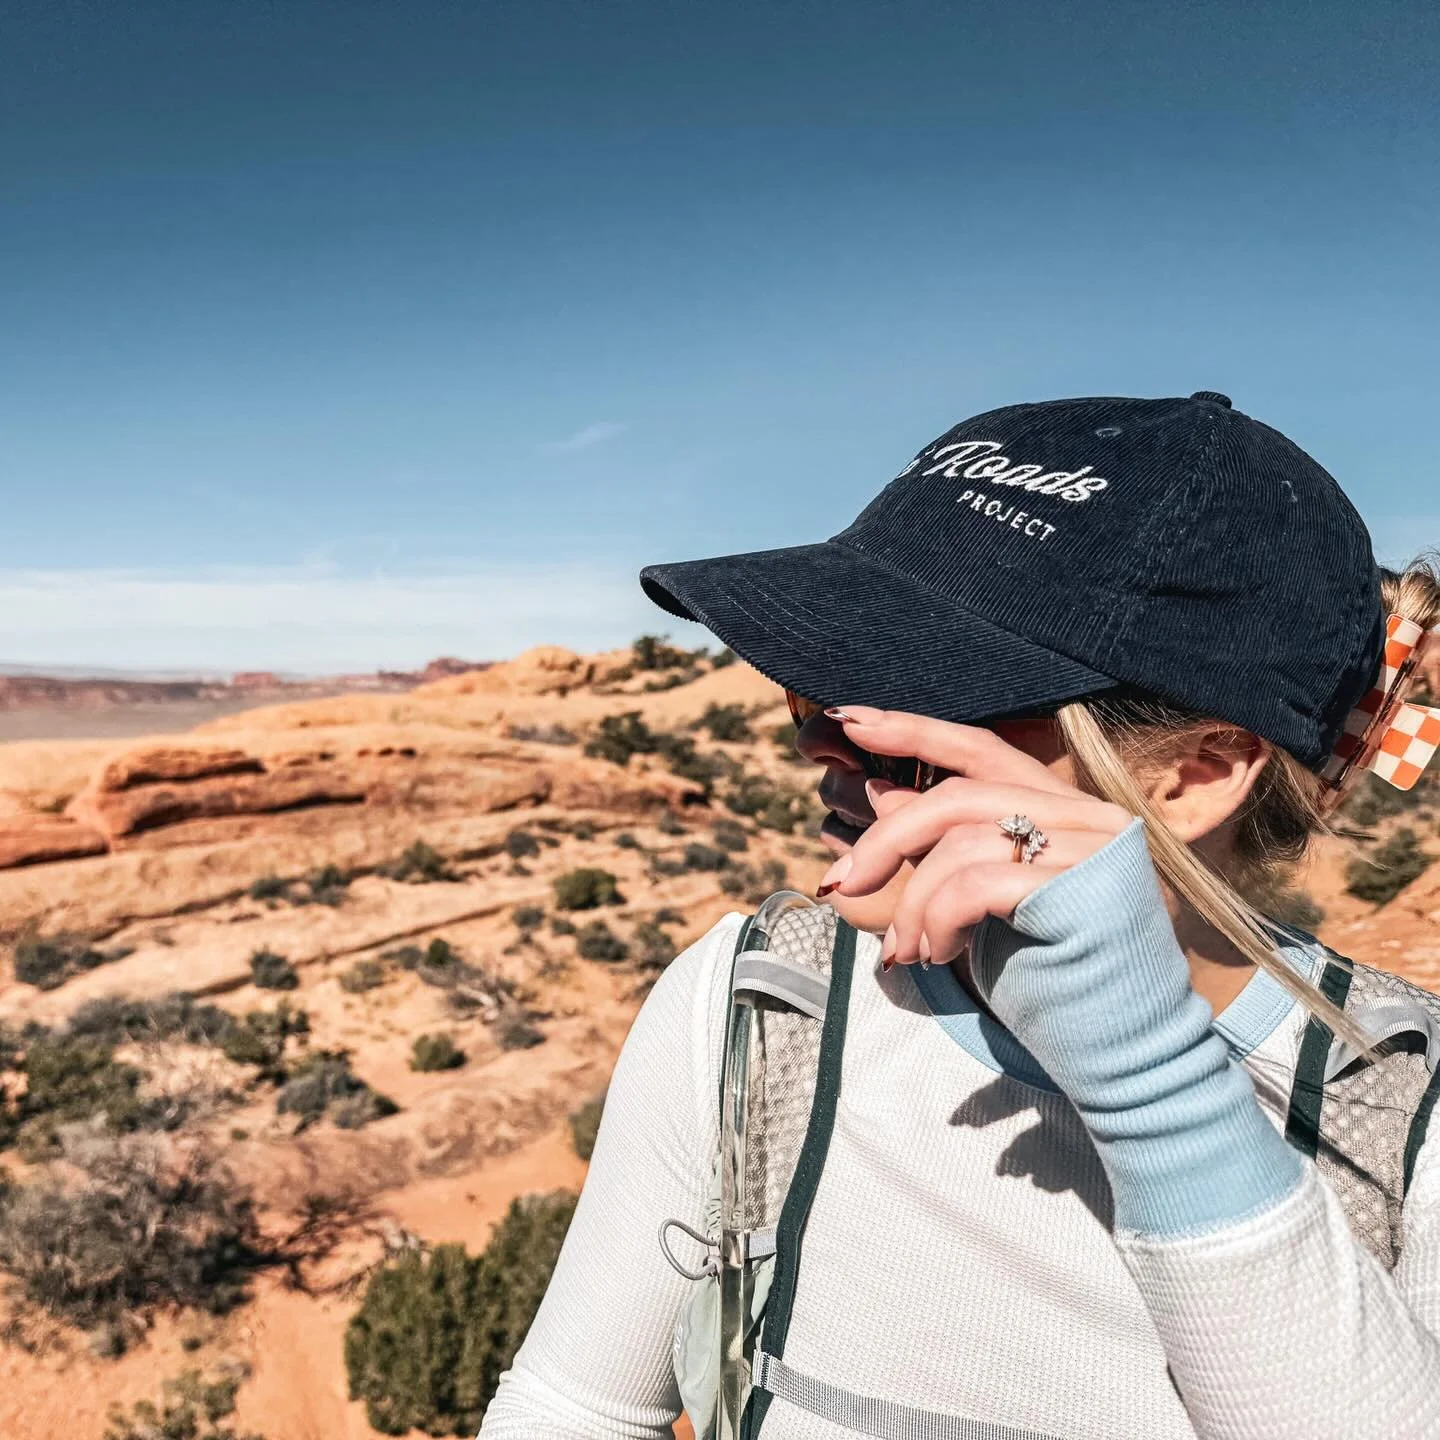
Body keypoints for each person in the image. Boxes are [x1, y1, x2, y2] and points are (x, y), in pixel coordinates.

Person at [479, 392, 1440, 1439]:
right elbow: (574, 1407)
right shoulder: (758, 1000)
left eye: (907, 716)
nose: (821, 749)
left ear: (1195, 776)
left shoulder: (1392, 1105)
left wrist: (1149, 1077)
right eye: (816, 691)